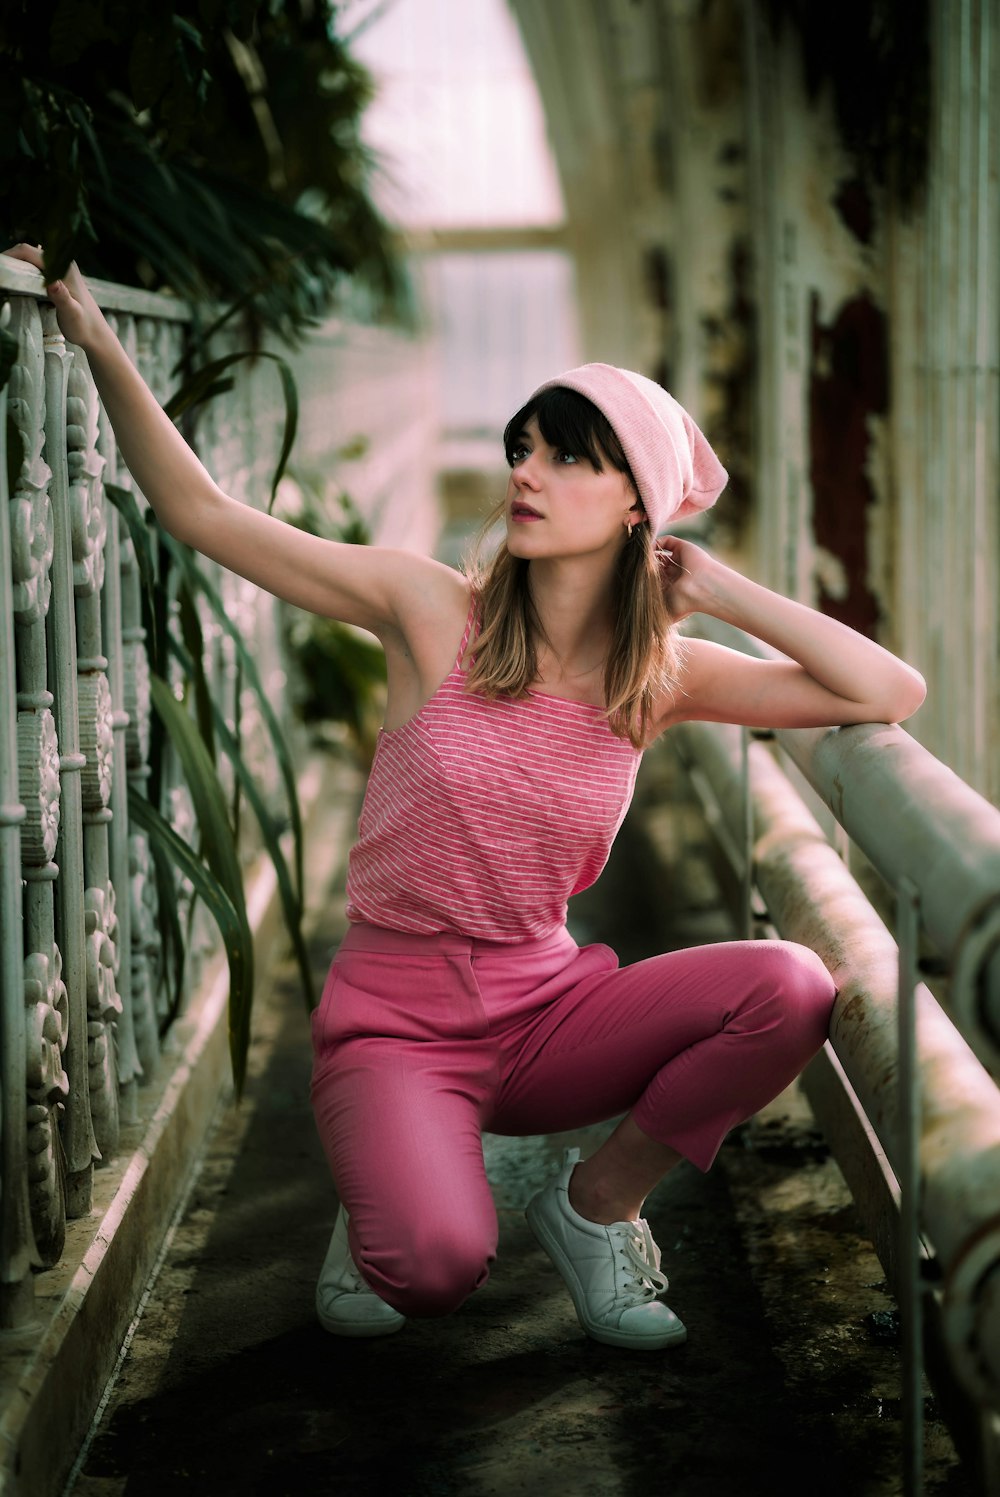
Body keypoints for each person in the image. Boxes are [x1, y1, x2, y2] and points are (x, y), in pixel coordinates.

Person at [6, 245, 926, 1352]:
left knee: (787, 984)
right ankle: (385, 1181)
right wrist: (95, 338)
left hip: (546, 1016)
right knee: (428, 1273)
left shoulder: (657, 678)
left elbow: (888, 690)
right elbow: (203, 515)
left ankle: (597, 1209)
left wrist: (719, 586)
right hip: (394, 1023)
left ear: (637, 502)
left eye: (567, 459)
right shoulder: (427, 611)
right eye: (522, 449)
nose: (525, 474)